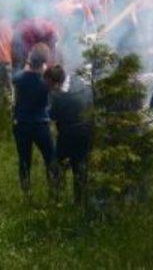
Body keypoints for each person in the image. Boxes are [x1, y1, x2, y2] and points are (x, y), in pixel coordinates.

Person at [12, 42, 58, 193]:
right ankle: (54, 189)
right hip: (41, 123)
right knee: (50, 157)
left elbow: (17, 77)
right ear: (45, 61)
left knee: (24, 159)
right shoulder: (45, 81)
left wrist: (28, 63)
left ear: (30, 59)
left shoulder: (20, 78)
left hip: (21, 123)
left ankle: (26, 191)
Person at [45, 63, 93, 203]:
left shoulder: (59, 96)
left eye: (48, 84)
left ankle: (56, 198)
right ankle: (80, 201)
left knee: (56, 166)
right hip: (88, 132)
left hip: (69, 135)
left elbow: (51, 116)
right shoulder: (77, 81)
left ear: (55, 82)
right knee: (80, 167)